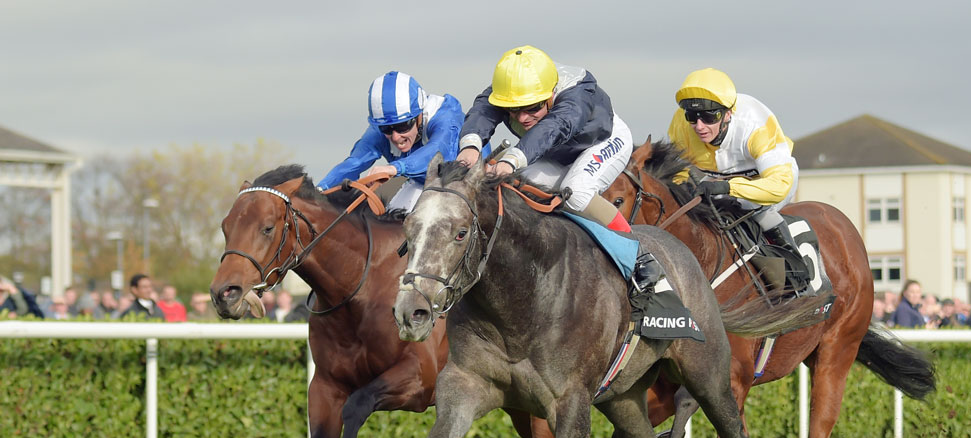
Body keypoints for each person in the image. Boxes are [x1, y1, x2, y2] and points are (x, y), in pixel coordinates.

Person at [455, 45, 672, 300]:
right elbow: (482, 111)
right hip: (554, 152)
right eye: (514, 110)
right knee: (516, 189)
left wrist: (511, 160)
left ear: (551, 94)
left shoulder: (577, 93)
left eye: (532, 108)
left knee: (576, 193)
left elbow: (552, 129)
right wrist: (470, 145)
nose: (522, 118)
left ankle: (640, 259)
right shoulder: (509, 87)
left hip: (603, 143)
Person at [666, 68, 805, 282]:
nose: (699, 126)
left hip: (765, 183)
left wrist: (729, 187)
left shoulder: (755, 125)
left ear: (728, 113)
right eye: (692, 117)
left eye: (709, 117)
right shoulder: (681, 126)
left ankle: (797, 279)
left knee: (751, 209)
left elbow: (779, 184)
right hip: (716, 183)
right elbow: (678, 173)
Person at [316, 71, 464, 218]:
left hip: (468, 184)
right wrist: (317, 191)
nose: (395, 137)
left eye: (403, 126)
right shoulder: (381, 128)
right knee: (391, 229)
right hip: (423, 184)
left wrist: (394, 168)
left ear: (419, 115)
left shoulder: (445, 116)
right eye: (387, 129)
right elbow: (354, 162)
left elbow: (438, 152)